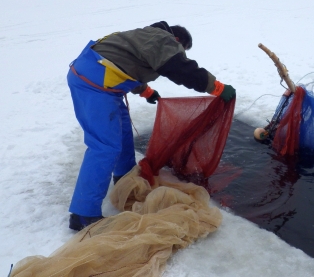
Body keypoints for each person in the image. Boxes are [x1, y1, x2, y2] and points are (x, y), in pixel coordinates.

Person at [66, 21, 236, 231]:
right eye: (181, 50)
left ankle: (125, 180)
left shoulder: (148, 38)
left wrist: (146, 92)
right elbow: (181, 69)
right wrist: (216, 87)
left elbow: (125, 63)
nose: (178, 53)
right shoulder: (161, 39)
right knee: (105, 146)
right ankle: (83, 214)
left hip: (105, 84)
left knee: (123, 134)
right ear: (177, 41)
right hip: (94, 86)